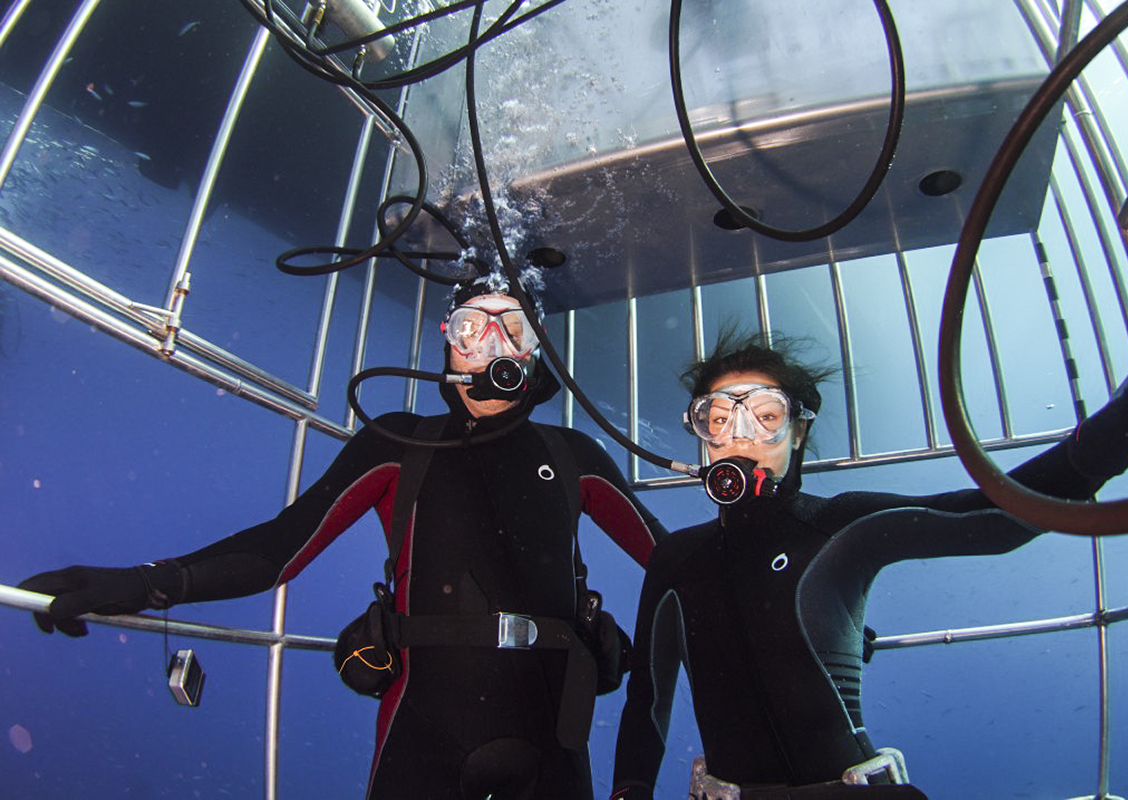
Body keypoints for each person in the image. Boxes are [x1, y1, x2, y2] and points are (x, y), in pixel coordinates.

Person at [19, 273, 665, 800]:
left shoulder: (573, 454)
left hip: (554, 741)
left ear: (533, 351)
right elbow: (278, 549)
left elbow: (679, 568)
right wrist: (138, 584)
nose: (491, 344)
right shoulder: (397, 443)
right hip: (423, 740)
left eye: (512, 328)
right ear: (448, 345)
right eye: (471, 327)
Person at [609, 330, 1128, 799]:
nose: (739, 434)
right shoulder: (676, 558)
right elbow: (647, 698)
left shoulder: (838, 522)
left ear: (798, 432)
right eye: (717, 418)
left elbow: (997, 519)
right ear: (701, 436)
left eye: (766, 415)